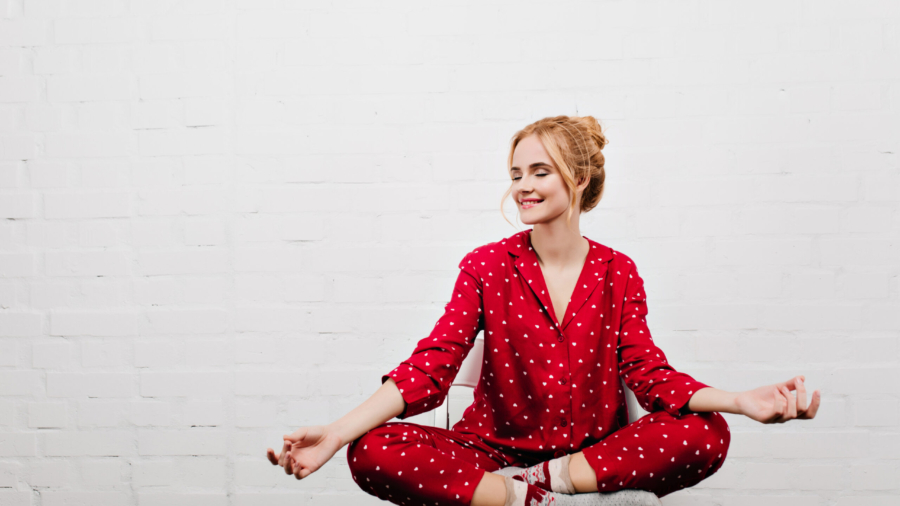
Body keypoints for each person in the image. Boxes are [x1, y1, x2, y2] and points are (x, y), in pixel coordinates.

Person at [266, 115, 821, 506]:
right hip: (489, 452)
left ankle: (545, 483)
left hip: (593, 454)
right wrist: (338, 434)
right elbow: (430, 367)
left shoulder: (617, 271)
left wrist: (741, 401)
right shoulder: (485, 265)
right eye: (516, 174)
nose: (523, 187)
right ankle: (525, 498)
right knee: (373, 451)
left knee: (707, 432)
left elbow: (650, 375)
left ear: (578, 179)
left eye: (539, 172)